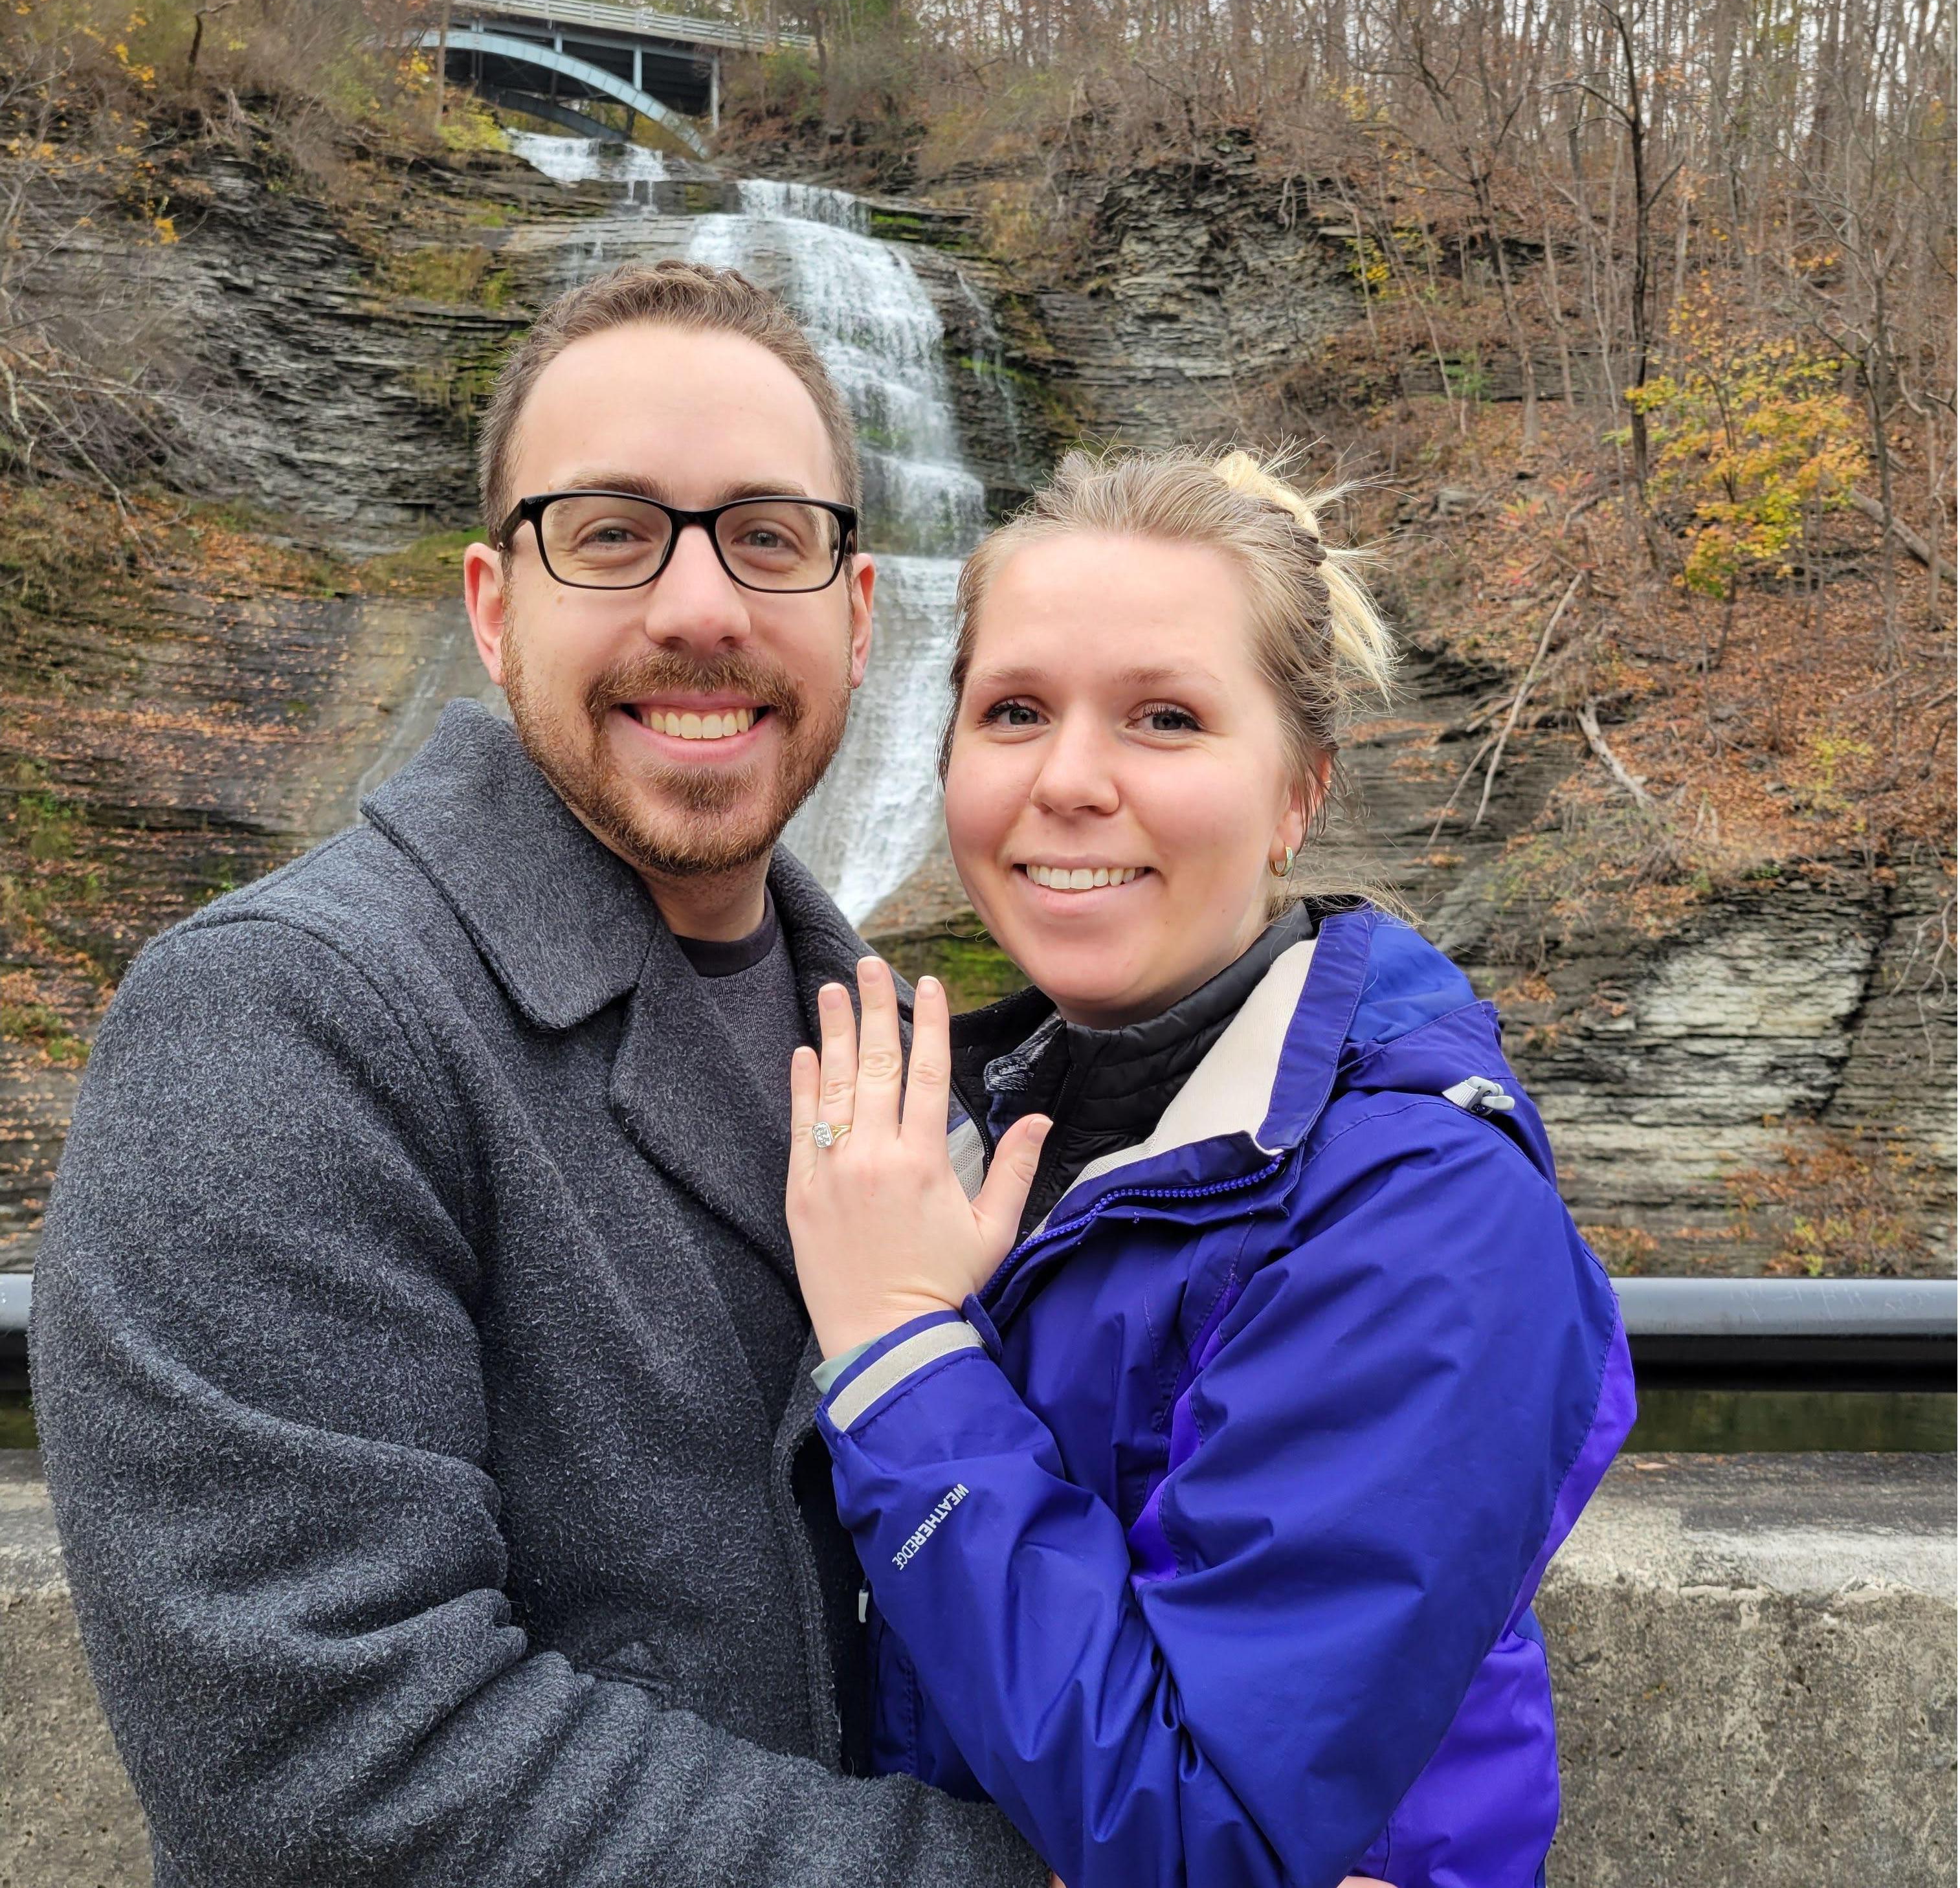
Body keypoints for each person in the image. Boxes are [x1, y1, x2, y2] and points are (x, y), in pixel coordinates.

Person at [28, 263, 1046, 1887]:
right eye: (611, 531)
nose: (700, 607)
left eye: (768, 535)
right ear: (494, 606)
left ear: (860, 619)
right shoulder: (280, 1020)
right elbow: (333, 1763)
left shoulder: (909, 1056)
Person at [784, 448, 1635, 1888]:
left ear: (1297, 793)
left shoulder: (1421, 1206)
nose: (1065, 779)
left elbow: (1204, 1826)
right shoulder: (969, 1126)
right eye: (1013, 711)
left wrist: (896, 1348)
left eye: (1163, 717)